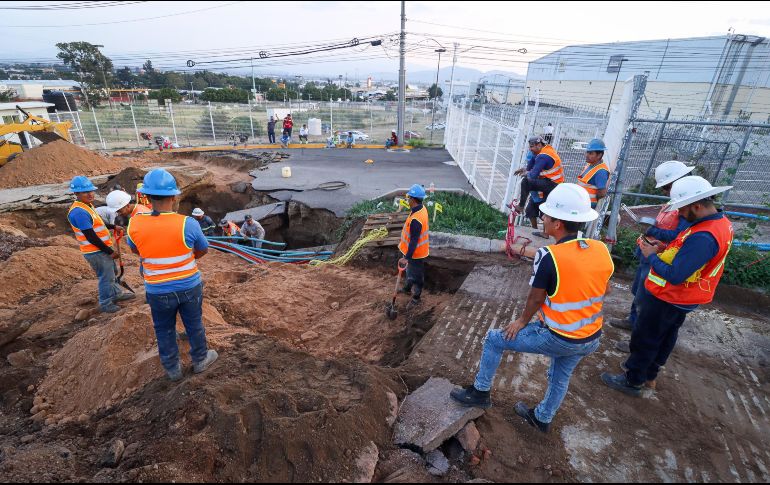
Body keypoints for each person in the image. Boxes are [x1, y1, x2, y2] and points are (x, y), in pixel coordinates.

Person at [451, 183, 613, 433]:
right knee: (560, 376)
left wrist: (521, 322)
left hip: (560, 337)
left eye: (546, 215)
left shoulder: (550, 256)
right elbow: (605, 289)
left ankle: (480, 392)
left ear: (558, 223)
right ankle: (542, 418)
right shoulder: (600, 249)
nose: (543, 218)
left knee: (494, 339)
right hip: (591, 337)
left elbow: (536, 298)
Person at [602, 176, 734, 396]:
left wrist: (651, 255)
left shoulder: (704, 236)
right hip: (682, 298)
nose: (680, 214)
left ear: (697, 206)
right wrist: (665, 248)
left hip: (670, 296)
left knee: (646, 337)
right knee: (665, 336)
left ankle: (633, 380)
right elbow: (687, 258)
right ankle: (649, 376)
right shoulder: (718, 224)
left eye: (682, 209)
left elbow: (676, 275)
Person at [126, 169, 218, 381]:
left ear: (147, 197)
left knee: (164, 328)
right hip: (188, 285)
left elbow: (136, 250)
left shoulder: (135, 224)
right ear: (174, 196)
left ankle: (173, 369)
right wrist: (186, 258)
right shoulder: (188, 223)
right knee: (194, 324)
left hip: (157, 289)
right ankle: (200, 360)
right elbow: (203, 249)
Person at [610, 160, 694, 351]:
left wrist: (653, 231)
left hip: (660, 256)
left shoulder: (686, 208)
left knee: (646, 299)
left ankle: (637, 341)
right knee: (638, 292)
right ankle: (633, 321)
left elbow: (678, 236)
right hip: (649, 252)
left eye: (666, 186)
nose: (665, 191)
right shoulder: (675, 202)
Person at [67, 176, 135, 314]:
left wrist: (112, 226)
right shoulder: (79, 212)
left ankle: (116, 293)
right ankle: (106, 303)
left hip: (99, 249)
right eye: (85, 192)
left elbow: (97, 223)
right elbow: (91, 236)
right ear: (76, 194)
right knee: (106, 277)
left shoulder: (87, 206)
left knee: (112, 273)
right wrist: (109, 251)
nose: (90, 194)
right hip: (95, 251)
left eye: (91, 191)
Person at [513, 135, 565, 236]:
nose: (530, 149)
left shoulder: (543, 156)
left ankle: (520, 206)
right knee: (532, 210)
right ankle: (536, 229)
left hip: (552, 184)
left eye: (532, 147)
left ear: (539, 145)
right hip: (549, 183)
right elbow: (530, 169)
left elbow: (532, 175)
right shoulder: (542, 151)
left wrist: (526, 173)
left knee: (525, 182)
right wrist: (525, 170)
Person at [398, 184, 430, 309]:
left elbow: (414, 241)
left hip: (415, 253)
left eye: (408, 197)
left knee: (416, 275)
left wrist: (407, 257)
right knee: (409, 272)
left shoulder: (417, 219)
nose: (407, 199)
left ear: (413, 199)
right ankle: (407, 288)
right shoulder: (421, 209)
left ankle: (416, 298)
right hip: (411, 251)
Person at [576, 138, 611, 209]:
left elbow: (601, 193)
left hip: (587, 205)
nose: (586, 155)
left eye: (590, 153)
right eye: (587, 152)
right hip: (581, 202)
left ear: (599, 155)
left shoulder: (601, 171)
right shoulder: (590, 164)